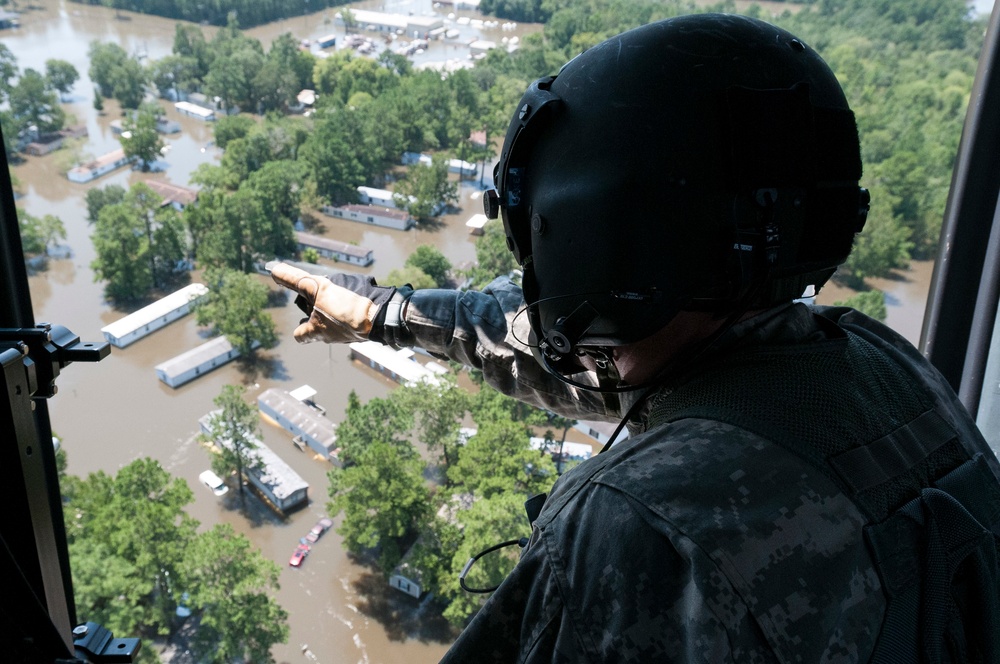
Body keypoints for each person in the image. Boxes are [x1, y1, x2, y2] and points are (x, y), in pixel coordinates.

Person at [270, 14, 1000, 663]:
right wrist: (382, 315)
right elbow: (584, 359)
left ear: (589, 239)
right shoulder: (883, 369)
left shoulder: (644, 523)